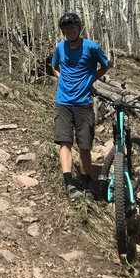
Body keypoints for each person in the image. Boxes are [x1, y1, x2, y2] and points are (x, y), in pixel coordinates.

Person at [51, 13, 109, 201]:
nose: (70, 30)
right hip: (63, 102)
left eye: (73, 27)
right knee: (64, 141)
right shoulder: (61, 47)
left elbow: (106, 65)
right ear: (63, 31)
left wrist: (91, 79)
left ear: (79, 27)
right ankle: (69, 184)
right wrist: (60, 77)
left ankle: (86, 184)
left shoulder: (91, 47)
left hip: (83, 103)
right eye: (67, 28)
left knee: (84, 145)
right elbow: (54, 66)